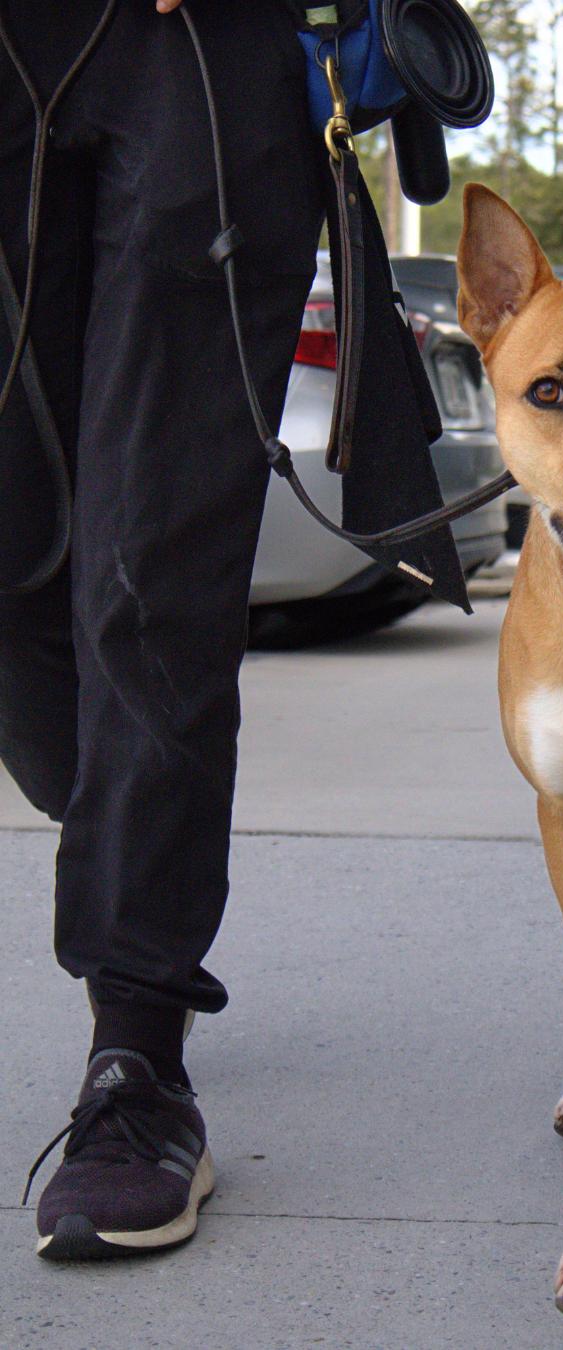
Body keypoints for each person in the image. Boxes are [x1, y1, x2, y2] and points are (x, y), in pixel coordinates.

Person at [0, 0, 326, 1259]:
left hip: (197, 47)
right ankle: (129, 820)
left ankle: (134, 1054)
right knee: (25, 560)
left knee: (151, 565)